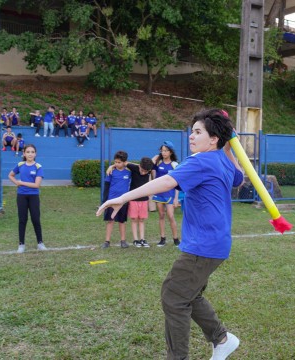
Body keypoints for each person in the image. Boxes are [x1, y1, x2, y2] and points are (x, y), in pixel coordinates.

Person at [97, 109, 244, 359]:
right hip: (215, 244)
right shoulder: (221, 160)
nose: (191, 136)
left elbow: (166, 183)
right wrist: (231, 149)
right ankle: (222, 339)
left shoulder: (201, 161)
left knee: (173, 297)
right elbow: (239, 179)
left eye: (198, 132)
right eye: (192, 131)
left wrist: (122, 196)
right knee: (189, 293)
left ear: (213, 139)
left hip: (203, 245)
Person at [106, 157, 154, 247]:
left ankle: (142, 239)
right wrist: (111, 166)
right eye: (142, 170)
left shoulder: (149, 170)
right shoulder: (134, 167)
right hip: (133, 199)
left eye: (146, 171)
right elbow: (122, 163)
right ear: (139, 166)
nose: (143, 173)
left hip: (144, 200)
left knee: (142, 220)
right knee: (134, 219)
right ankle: (136, 240)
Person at [8, 144, 47, 253]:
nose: (30, 154)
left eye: (32, 152)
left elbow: (36, 185)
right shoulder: (20, 164)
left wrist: (21, 182)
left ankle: (40, 243)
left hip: (33, 196)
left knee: (35, 219)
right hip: (21, 196)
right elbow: (10, 175)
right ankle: (21, 245)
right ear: (24, 153)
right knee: (22, 220)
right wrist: (16, 183)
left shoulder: (38, 167)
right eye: (28, 152)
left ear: (35, 154)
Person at [100, 150, 131, 249]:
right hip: (111, 200)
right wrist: (105, 201)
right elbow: (106, 186)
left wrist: (127, 164)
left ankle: (123, 241)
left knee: (122, 221)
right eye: (115, 162)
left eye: (119, 162)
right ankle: (107, 241)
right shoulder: (111, 172)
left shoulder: (129, 172)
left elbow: (138, 167)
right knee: (110, 220)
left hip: (123, 202)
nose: (117, 164)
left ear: (125, 162)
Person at [152, 140, 180, 246]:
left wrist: (176, 198)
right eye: (162, 151)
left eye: (166, 151)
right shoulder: (158, 163)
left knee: (171, 216)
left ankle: (176, 239)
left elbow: (178, 182)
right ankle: (162, 238)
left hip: (169, 194)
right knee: (161, 215)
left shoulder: (175, 165)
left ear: (171, 152)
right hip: (159, 193)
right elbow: (147, 167)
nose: (164, 153)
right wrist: (154, 158)